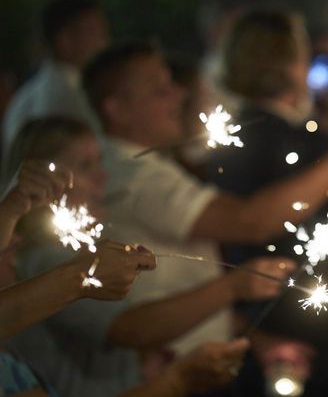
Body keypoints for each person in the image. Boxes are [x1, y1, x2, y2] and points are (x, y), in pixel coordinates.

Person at [80, 39, 328, 359]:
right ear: (116, 109)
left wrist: (258, 342)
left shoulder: (149, 166)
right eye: (159, 89)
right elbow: (251, 222)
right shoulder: (134, 176)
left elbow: (189, 280)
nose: (178, 95)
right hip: (167, 369)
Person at [4, 117, 285, 397]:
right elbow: (132, 328)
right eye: (84, 166)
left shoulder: (76, 249)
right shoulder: (44, 258)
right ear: (41, 181)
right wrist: (233, 286)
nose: (102, 176)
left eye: (99, 161)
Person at [2, 0, 108, 161]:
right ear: (65, 40)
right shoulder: (68, 93)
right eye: (94, 32)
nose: (104, 41)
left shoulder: (36, 88)